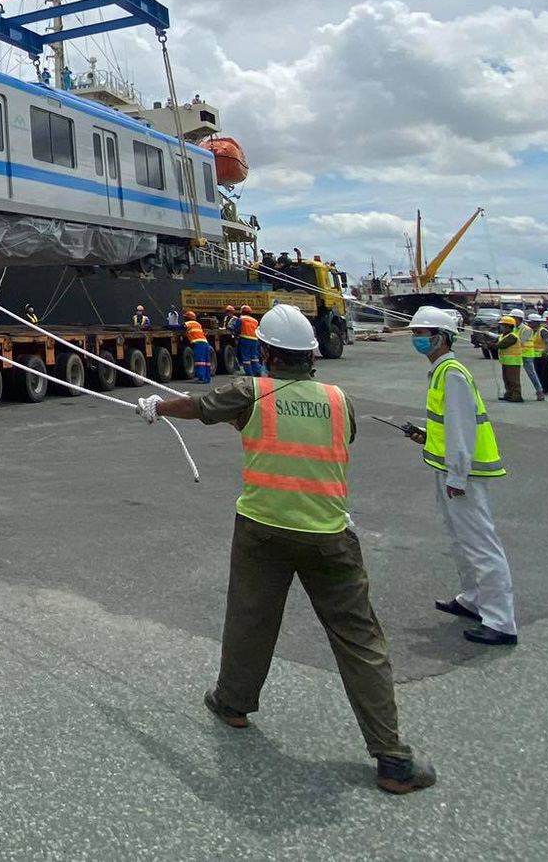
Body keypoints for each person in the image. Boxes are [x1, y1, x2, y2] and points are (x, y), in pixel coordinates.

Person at [133, 303, 437, 794]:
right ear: (311, 355)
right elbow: (337, 438)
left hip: (263, 529)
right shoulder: (340, 400)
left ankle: (232, 704)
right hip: (329, 534)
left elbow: (200, 405)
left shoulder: (252, 390)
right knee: (360, 641)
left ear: (267, 353)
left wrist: (156, 407)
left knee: (251, 619)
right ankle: (392, 759)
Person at [400, 307, 517, 646]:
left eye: (423, 333)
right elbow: (448, 424)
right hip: (449, 468)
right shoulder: (441, 371)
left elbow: (463, 427)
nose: (417, 338)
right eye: (415, 333)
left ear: (442, 337)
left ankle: (500, 620)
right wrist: (425, 435)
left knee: (480, 543)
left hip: (463, 473)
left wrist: (458, 476)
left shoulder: (451, 373)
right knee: (459, 538)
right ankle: (473, 599)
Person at [494, 312, 525, 402]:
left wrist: (489, 345)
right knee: (507, 379)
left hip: (513, 362)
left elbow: (501, 345)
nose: (501, 327)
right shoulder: (504, 335)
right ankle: (509, 394)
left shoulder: (512, 336)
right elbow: (496, 342)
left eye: (503, 325)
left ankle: (516, 396)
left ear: (509, 326)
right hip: (506, 361)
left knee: (513, 380)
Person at [184, 310, 212, 384]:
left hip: (198, 343)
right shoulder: (198, 324)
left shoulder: (188, 323)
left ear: (187, 318)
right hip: (205, 343)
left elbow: (178, 327)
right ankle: (207, 378)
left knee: (200, 361)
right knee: (206, 361)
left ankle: (201, 378)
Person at [236, 305, 262, 376]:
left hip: (244, 339)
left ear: (242, 312)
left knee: (246, 357)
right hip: (255, 340)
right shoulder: (255, 321)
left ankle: (249, 373)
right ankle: (257, 372)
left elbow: (236, 328)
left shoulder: (241, 319)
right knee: (254, 357)